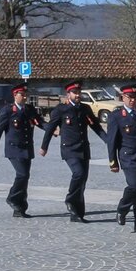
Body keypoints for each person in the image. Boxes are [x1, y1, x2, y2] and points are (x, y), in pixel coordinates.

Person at [39, 80, 108, 222]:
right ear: (68, 94)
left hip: (83, 149)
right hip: (69, 149)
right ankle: (70, 199)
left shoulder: (85, 109)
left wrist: (109, 142)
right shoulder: (60, 109)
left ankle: (77, 213)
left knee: (82, 181)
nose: (77, 95)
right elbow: (51, 128)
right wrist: (44, 146)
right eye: (74, 93)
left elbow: (96, 127)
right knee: (79, 173)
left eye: (79, 93)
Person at [106, 84, 136, 232]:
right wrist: (112, 161)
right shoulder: (116, 116)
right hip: (129, 158)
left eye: (135, 97)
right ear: (123, 97)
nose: (132, 100)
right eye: (129, 97)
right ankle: (122, 209)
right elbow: (112, 141)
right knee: (134, 186)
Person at [0, 83, 44, 218]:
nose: (25, 98)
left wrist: (52, 129)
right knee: (22, 175)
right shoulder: (8, 110)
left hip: (26, 148)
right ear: (15, 95)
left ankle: (20, 208)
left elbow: (40, 122)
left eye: (26, 95)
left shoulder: (29, 109)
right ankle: (12, 198)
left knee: (25, 178)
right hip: (14, 148)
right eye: (22, 95)